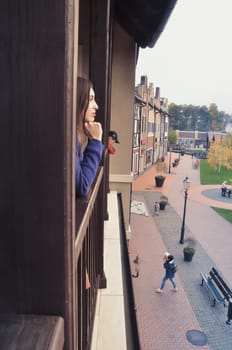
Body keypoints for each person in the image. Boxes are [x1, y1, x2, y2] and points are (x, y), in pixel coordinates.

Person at [76, 77, 104, 197]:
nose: (96, 106)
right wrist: (96, 142)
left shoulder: (72, 138)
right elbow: (82, 186)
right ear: (77, 101)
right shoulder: (67, 140)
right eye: (91, 99)